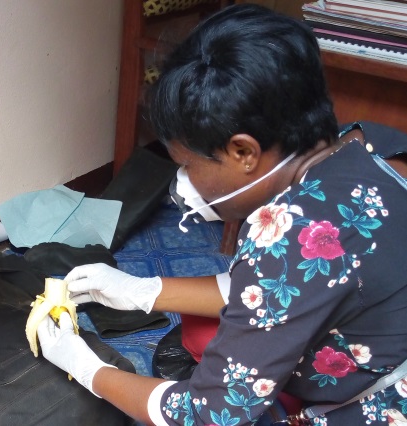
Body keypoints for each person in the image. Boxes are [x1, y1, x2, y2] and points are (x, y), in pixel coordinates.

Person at [36, 4, 407, 425]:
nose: (182, 180)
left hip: (383, 404)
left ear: (243, 152)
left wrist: (89, 369)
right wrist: (141, 290)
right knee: (201, 332)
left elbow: (209, 415)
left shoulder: (293, 231)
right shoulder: (369, 141)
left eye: (188, 164)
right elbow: (285, 285)